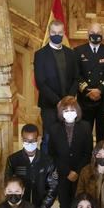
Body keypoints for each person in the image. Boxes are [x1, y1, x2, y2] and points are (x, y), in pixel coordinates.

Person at [34, 20, 79, 151]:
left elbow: (76, 78)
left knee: (67, 139)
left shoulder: (71, 53)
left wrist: (68, 100)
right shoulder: (40, 54)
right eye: (54, 32)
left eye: (59, 33)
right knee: (48, 139)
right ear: (49, 33)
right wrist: (58, 101)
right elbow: (40, 82)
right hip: (49, 106)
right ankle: (46, 170)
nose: (56, 35)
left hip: (68, 106)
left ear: (64, 33)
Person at [48, 96, 93, 208]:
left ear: (77, 111)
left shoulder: (85, 127)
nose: (69, 113)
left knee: (80, 205)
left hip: (81, 174)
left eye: (72, 110)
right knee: (65, 207)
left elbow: (88, 152)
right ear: (61, 112)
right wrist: (67, 171)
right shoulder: (54, 129)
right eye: (66, 110)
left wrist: (77, 171)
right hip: (63, 175)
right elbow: (52, 154)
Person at [74, 22, 104, 141]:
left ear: (103, 35)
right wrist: (87, 90)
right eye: (92, 33)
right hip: (85, 99)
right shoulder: (78, 51)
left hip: (103, 100)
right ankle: (86, 159)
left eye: (98, 33)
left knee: (103, 135)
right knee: (84, 135)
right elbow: (76, 74)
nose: (95, 35)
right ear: (87, 34)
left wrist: (100, 90)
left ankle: (101, 158)